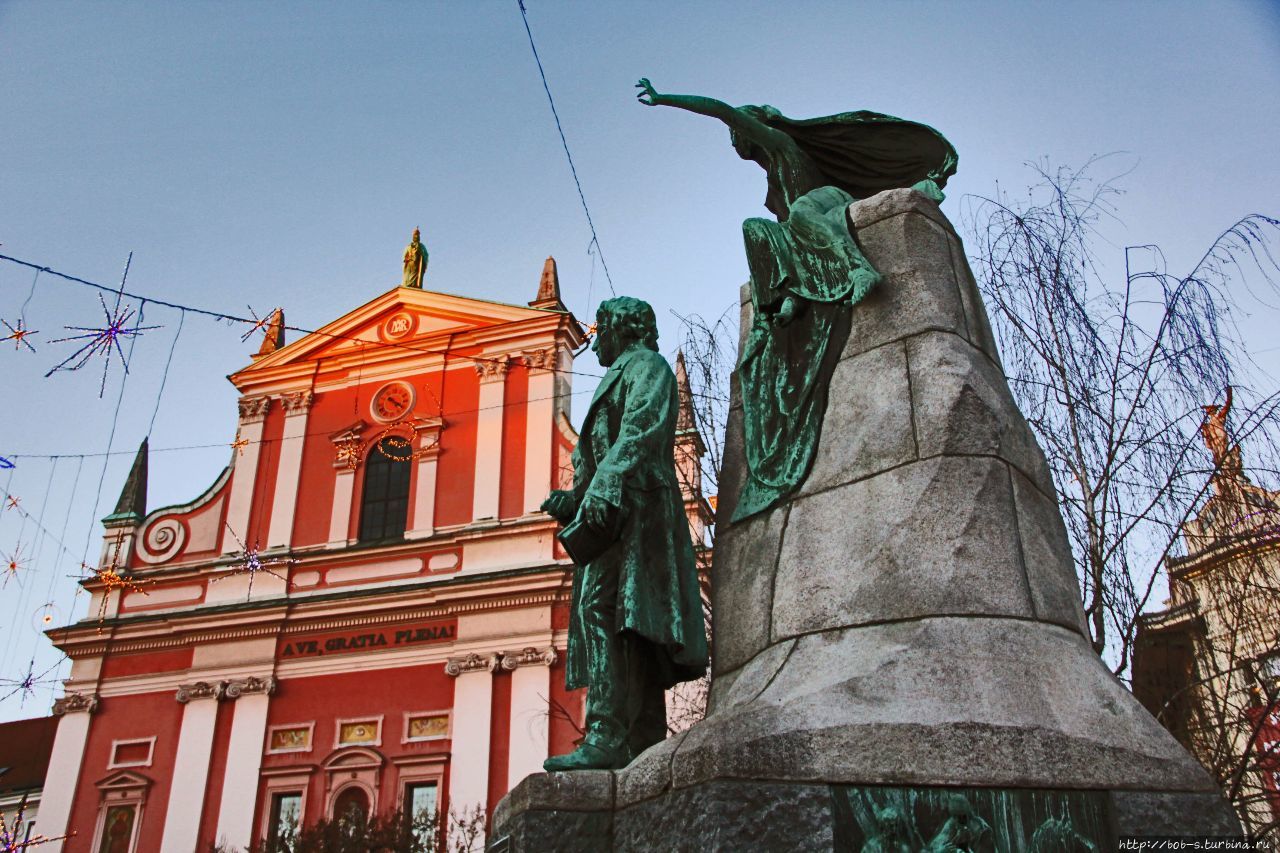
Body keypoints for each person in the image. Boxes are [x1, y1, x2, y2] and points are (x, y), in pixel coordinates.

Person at [635, 79, 957, 520]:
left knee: (802, 209)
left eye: (739, 135)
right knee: (755, 228)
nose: (737, 142)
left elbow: (722, 108)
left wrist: (665, 98)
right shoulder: (772, 177)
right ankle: (787, 299)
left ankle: (858, 268)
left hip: (827, 203)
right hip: (801, 236)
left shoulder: (782, 144)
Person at [541, 296, 709, 771]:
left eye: (602, 327)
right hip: (612, 514)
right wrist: (573, 498)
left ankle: (607, 734)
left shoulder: (648, 366)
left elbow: (640, 429)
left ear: (622, 327)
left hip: (636, 512)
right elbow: (596, 456)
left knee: (611, 613)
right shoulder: (619, 374)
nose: (595, 339)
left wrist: (606, 483)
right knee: (627, 622)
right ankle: (641, 736)